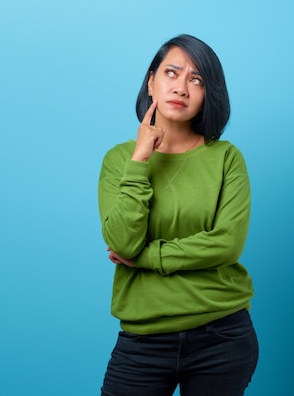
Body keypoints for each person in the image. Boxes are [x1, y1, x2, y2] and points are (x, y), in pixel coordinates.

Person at [98, 34, 258, 396]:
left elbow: (227, 244)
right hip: (143, 339)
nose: (182, 87)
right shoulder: (118, 160)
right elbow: (122, 241)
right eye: (172, 73)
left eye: (196, 79)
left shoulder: (226, 158)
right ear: (151, 81)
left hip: (222, 334)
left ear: (207, 94)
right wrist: (139, 160)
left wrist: (147, 256)